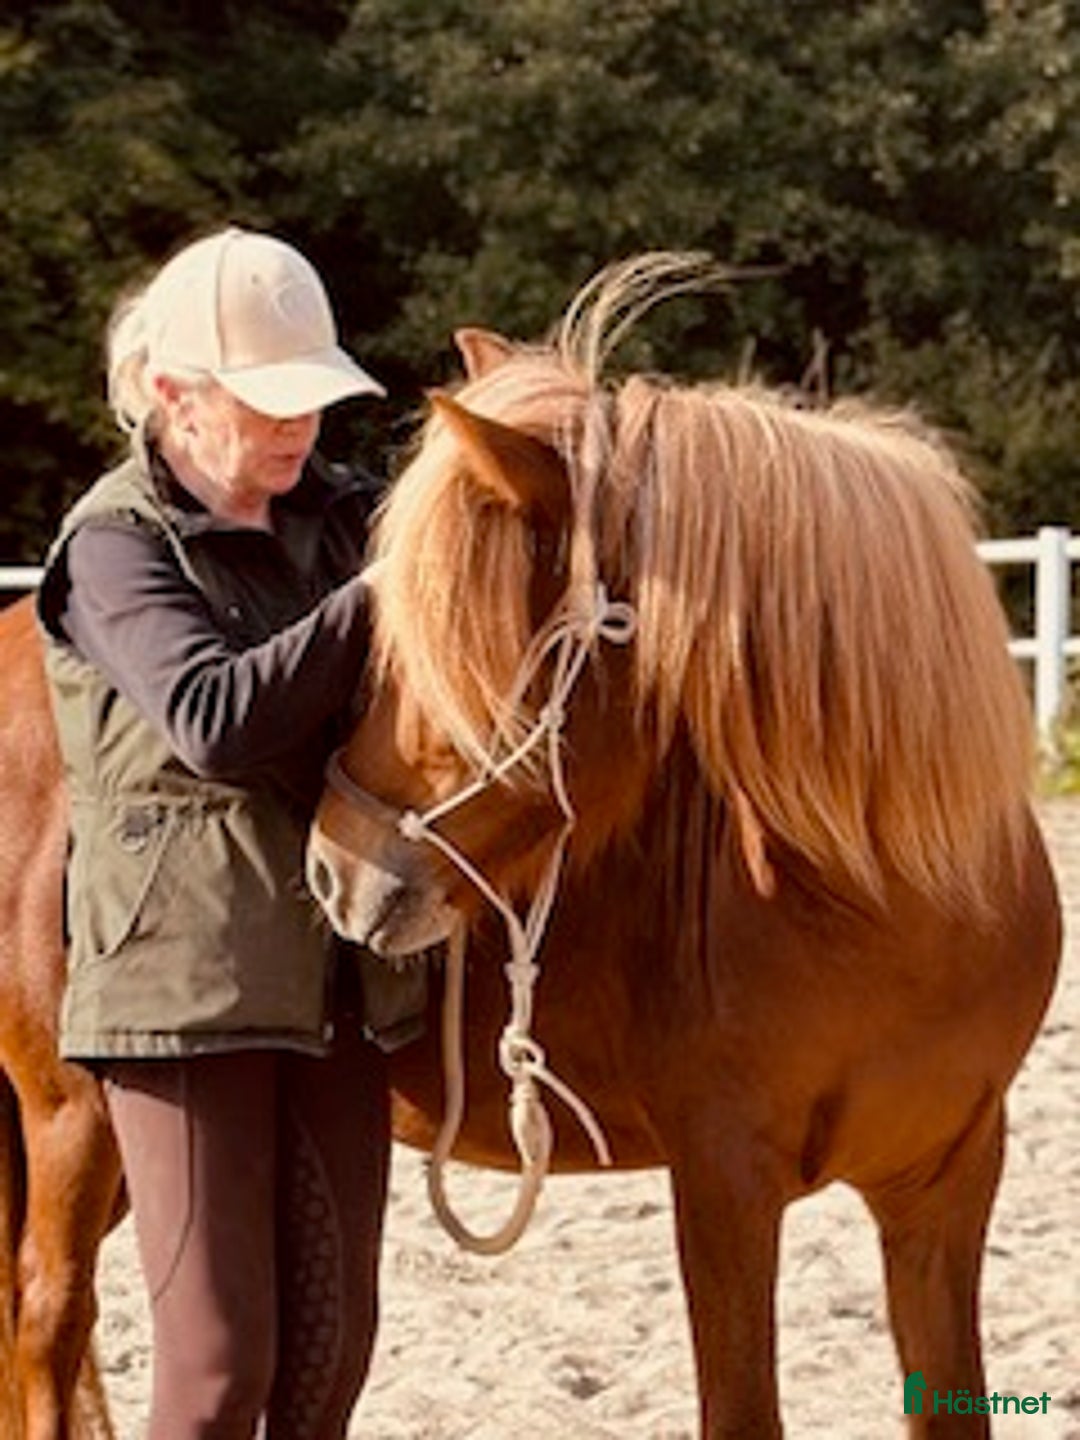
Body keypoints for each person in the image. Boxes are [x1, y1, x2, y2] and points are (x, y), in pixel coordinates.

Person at [37, 227, 418, 1439]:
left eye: (313, 400)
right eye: (266, 403)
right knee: (214, 1373)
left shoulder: (350, 514)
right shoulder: (112, 545)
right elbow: (212, 720)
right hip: (181, 997)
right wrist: (380, 596)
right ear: (172, 395)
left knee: (328, 1366)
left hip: (343, 980)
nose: (298, 428)